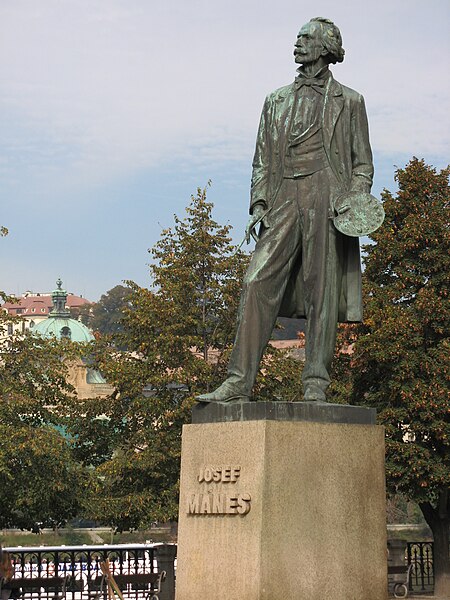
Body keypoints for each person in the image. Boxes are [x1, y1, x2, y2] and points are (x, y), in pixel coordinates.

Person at [198, 17, 373, 403]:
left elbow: (363, 165)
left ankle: (316, 382)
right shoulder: (276, 99)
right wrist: (259, 201)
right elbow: (261, 159)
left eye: (306, 38)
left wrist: (353, 198)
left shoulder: (352, 102)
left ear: (326, 48)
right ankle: (238, 381)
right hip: (283, 197)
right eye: (298, 37)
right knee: (255, 282)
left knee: (321, 290)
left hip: (327, 198)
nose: (297, 43)